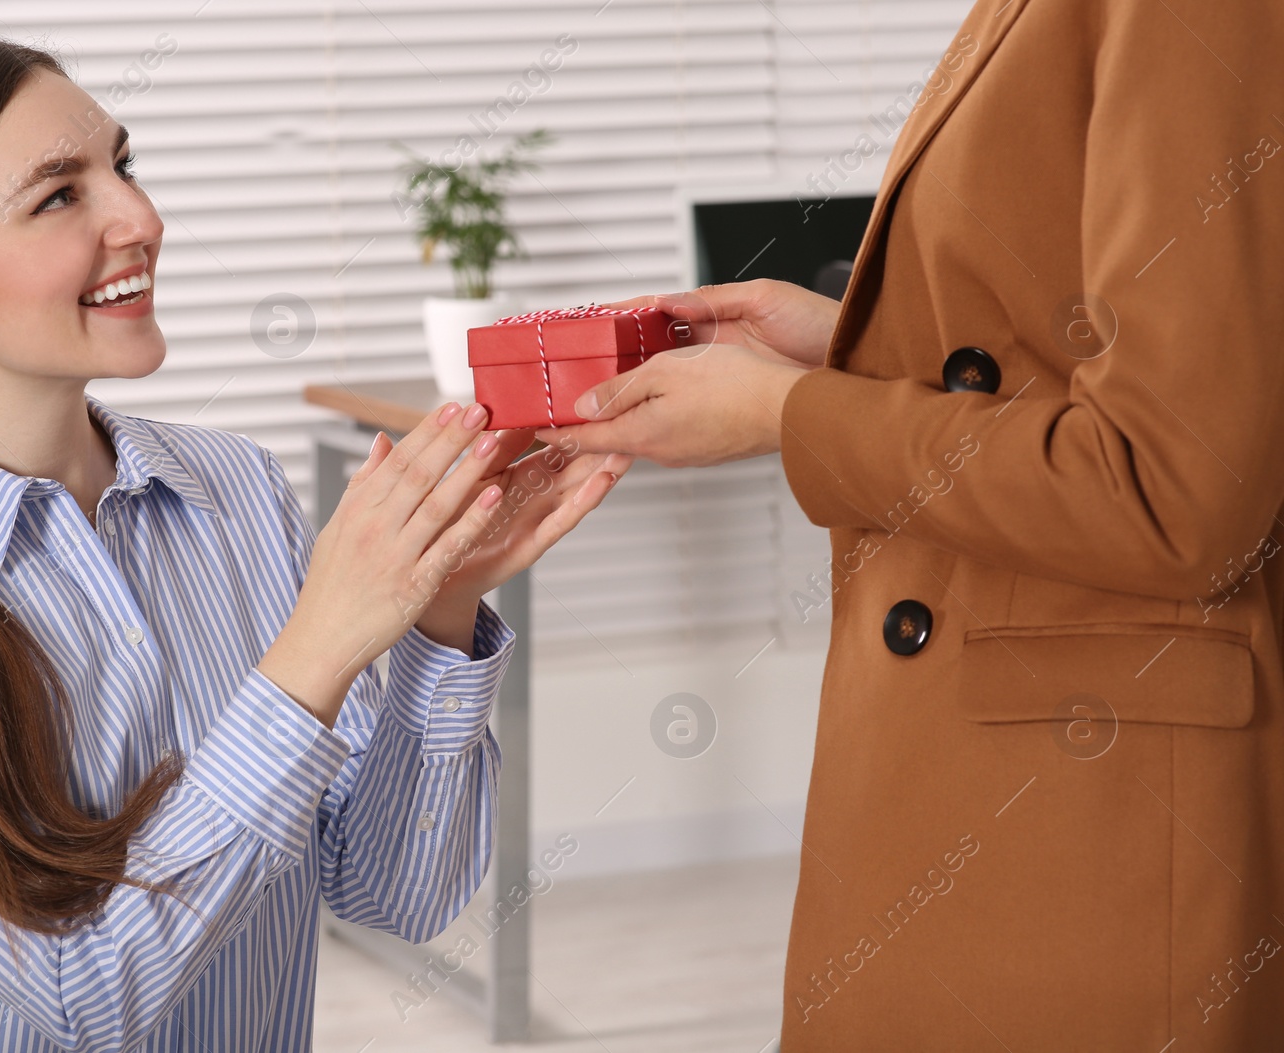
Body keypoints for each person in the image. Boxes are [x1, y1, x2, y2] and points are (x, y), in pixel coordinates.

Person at [0, 38, 629, 1052]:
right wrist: (320, 646)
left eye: (121, 167)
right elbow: (87, 996)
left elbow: (396, 896)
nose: (140, 219)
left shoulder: (239, 492)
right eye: (56, 197)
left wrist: (436, 608)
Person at [548, 0, 1284, 1049]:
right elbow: (1051, 338)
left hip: (1082, 824)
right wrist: (852, 349)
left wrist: (788, 413)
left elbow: (1174, 492)